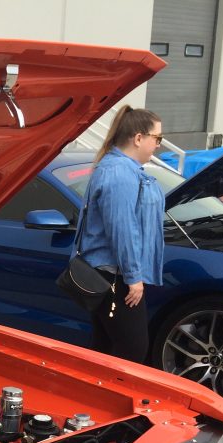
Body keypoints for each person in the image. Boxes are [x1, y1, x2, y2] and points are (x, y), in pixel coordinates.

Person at [73, 106, 166, 362]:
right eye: (157, 138)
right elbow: (123, 230)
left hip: (110, 275)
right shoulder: (120, 174)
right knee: (132, 350)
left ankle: (94, 401)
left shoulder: (119, 169)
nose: (158, 144)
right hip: (116, 278)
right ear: (138, 138)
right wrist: (134, 277)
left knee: (106, 348)